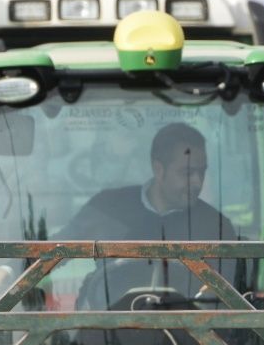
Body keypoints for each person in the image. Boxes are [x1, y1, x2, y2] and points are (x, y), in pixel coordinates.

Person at [61, 122, 240, 307]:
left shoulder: (215, 226)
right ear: (158, 169)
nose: (197, 182)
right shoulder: (107, 209)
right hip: (107, 329)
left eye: (201, 172)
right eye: (187, 172)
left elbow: (226, 298)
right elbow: (51, 255)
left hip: (190, 333)